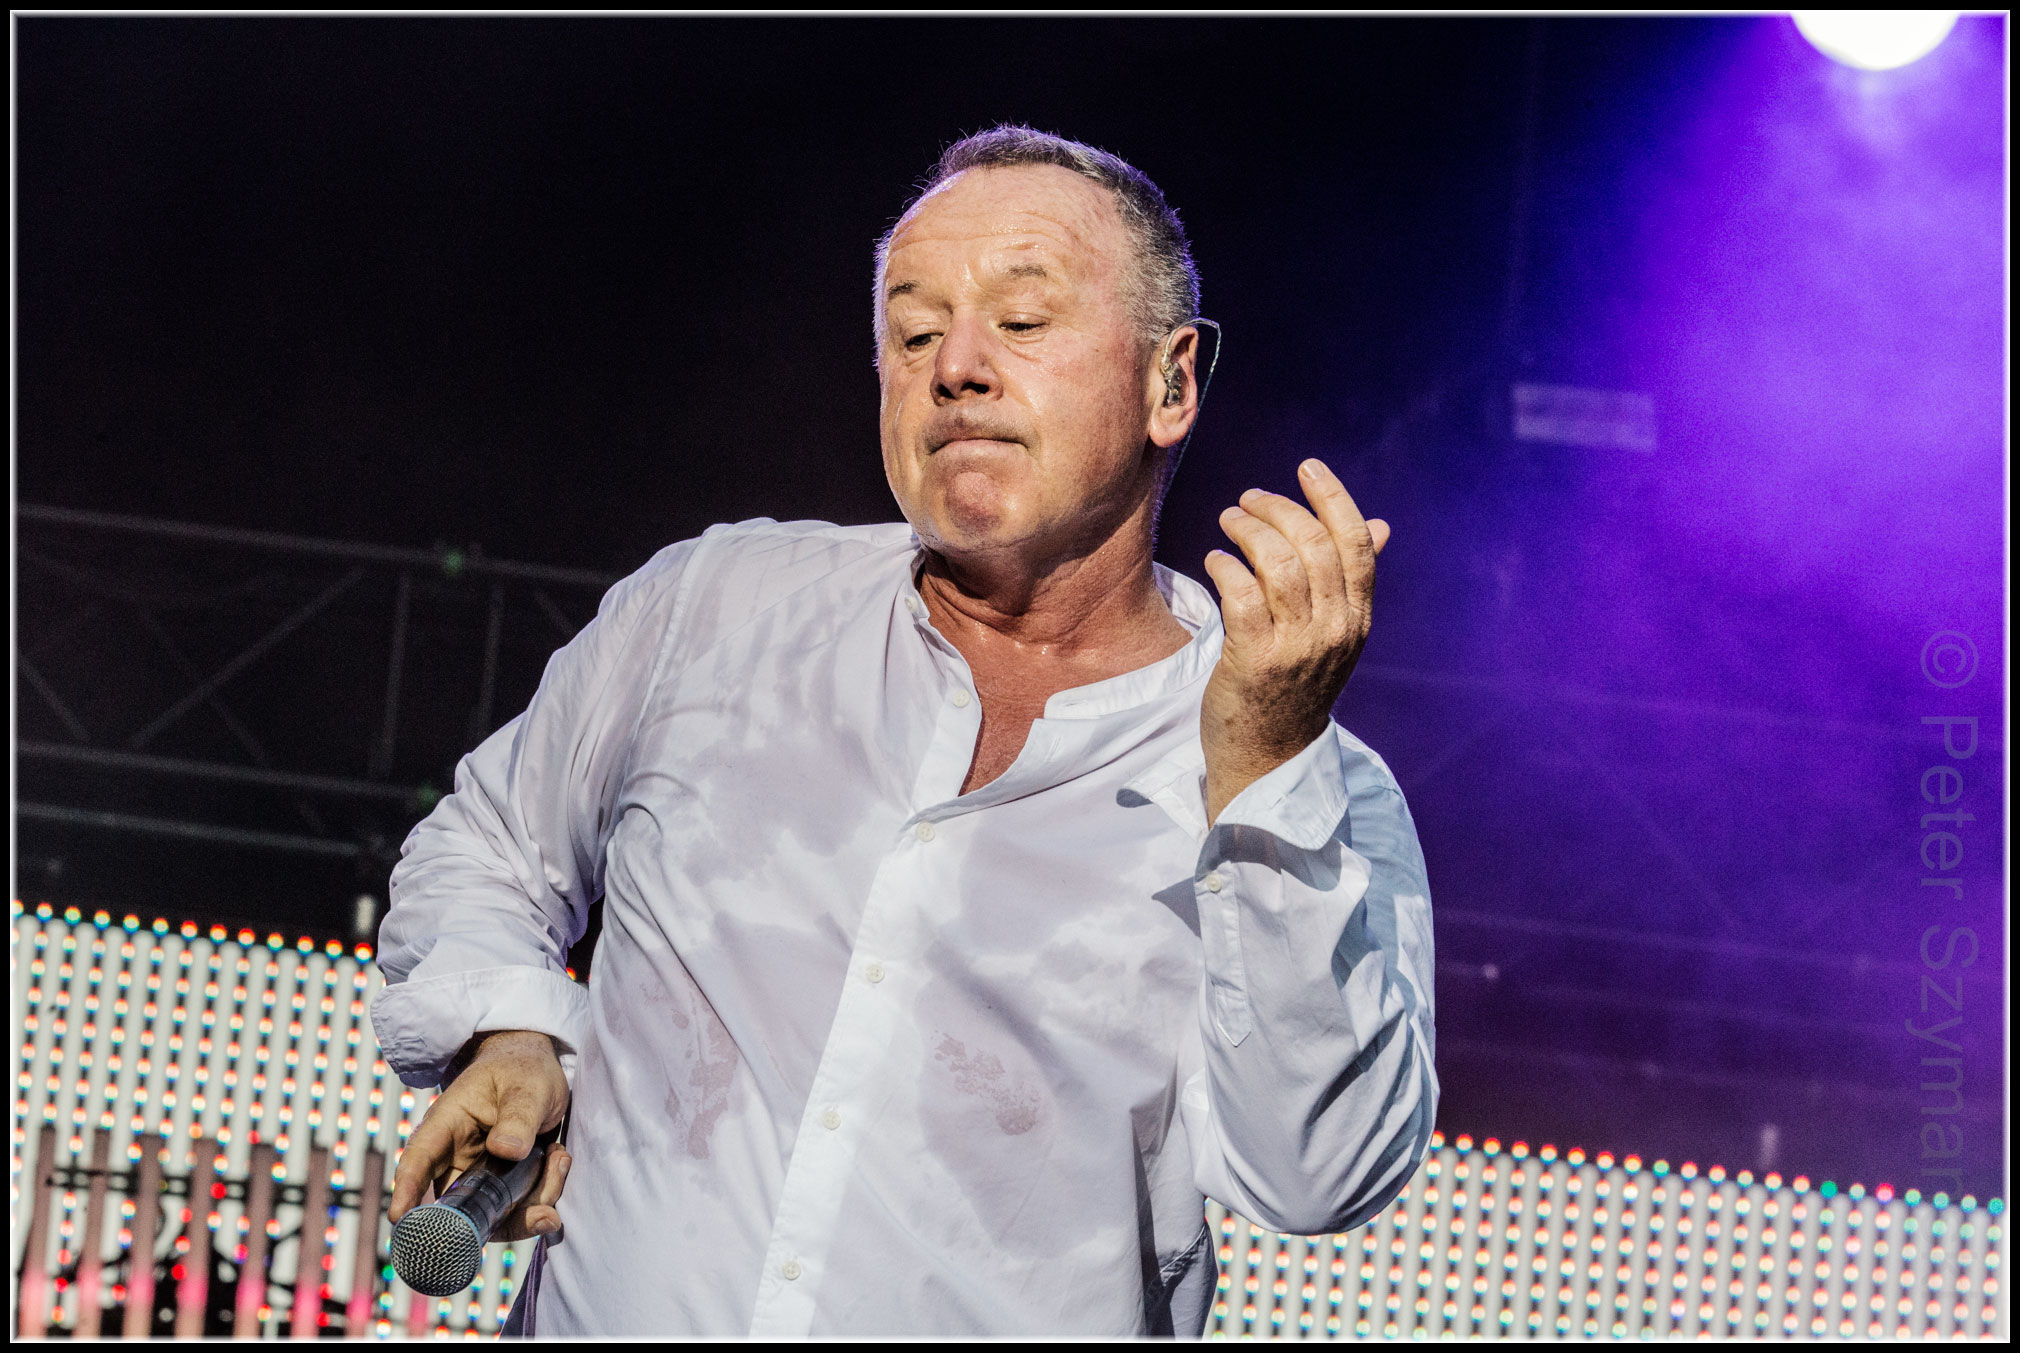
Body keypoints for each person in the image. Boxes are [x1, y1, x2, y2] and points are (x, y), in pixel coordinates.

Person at [370, 124, 1436, 1338]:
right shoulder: (717, 606)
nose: (956, 368)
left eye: (1021, 321)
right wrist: (509, 1025)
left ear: (1171, 383)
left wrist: (1261, 771)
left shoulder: (1306, 782)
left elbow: (1320, 1176)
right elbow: (487, 848)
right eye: (915, 332)